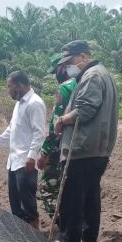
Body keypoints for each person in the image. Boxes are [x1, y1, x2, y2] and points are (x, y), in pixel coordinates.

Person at [53, 41, 119, 242]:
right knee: (90, 200)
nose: (69, 67)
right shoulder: (103, 75)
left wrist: (62, 120)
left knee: (72, 202)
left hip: (81, 150)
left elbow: (84, 110)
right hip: (97, 150)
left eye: (70, 61)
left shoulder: (92, 76)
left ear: (82, 56)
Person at [0, 71, 47, 228]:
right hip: (14, 161)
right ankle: (21, 235)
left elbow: (39, 133)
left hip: (25, 161)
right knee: (15, 202)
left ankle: (34, 236)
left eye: (10, 87)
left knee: (28, 203)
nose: (9, 91)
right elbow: (11, 129)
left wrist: (31, 157)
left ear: (20, 85)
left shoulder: (35, 103)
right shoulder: (19, 104)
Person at [38, 54, 78, 222]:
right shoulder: (84, 83)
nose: (56, 75)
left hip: (63, 147)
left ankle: (64, 230)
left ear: (62, 68)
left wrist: (45, 153)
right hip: (83, 147)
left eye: (56, 71)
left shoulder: (66, 88)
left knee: (48, 187)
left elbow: (56, 125)